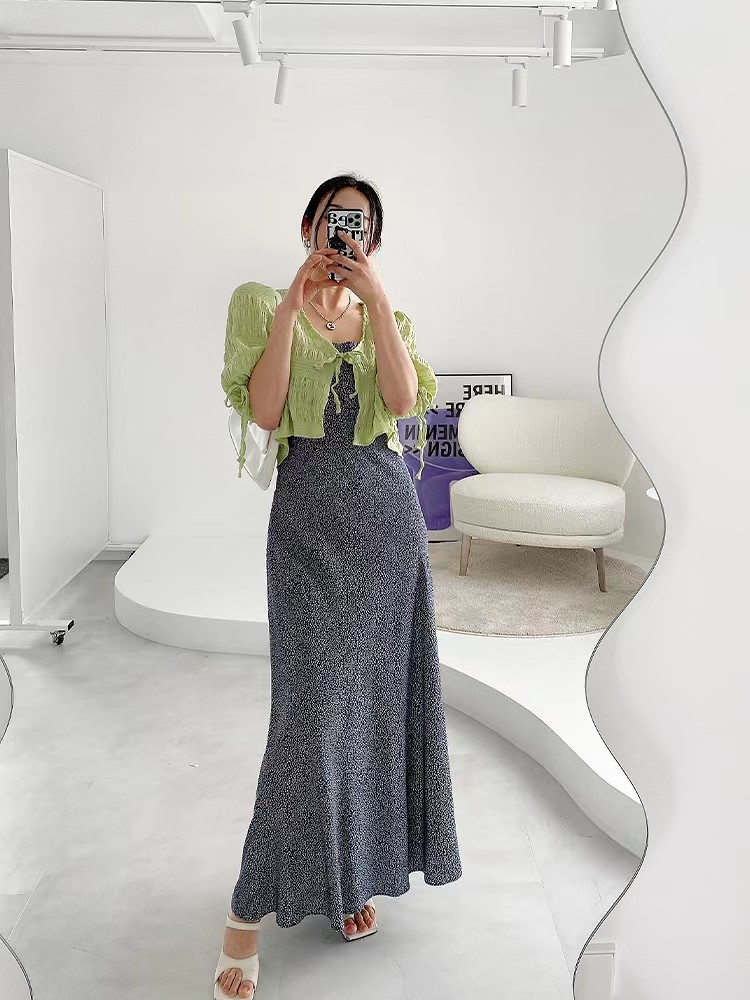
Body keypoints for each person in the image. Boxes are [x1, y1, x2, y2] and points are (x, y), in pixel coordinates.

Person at [215, 175, 462, 999]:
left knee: (371, 712)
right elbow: (265, 410)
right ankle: (247, 910)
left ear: (373, 240)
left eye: (358, 225)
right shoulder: (261, 302)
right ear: (309, 226)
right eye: (332, 219)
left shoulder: (389, 314)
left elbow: (400, 400)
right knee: (312, 715)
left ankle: (349, 879)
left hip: (387, 525)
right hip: (307, 523)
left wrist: (377, 301)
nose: (342, 235)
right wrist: (295, 301)